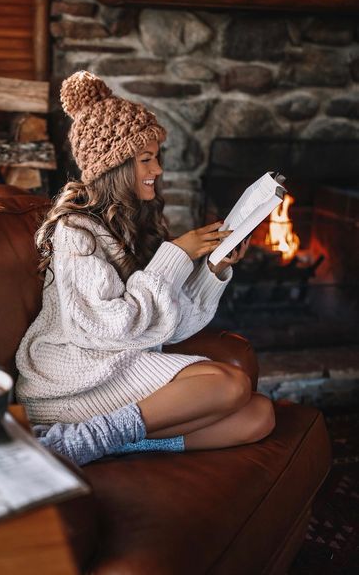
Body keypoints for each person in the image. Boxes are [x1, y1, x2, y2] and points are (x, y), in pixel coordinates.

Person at [16, 71, 275, 466]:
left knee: (260, 417)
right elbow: (109, 327)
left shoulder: (138, 222)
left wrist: (212, 269)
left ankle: (94, 442)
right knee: (232, 385)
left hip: (121, 362)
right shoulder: (74, 232)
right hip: (73, 376)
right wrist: (174, 255)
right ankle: (88, 438)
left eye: (157, 157)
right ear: (115, 165)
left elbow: (167, 327)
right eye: (145, 159)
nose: (157, 169)